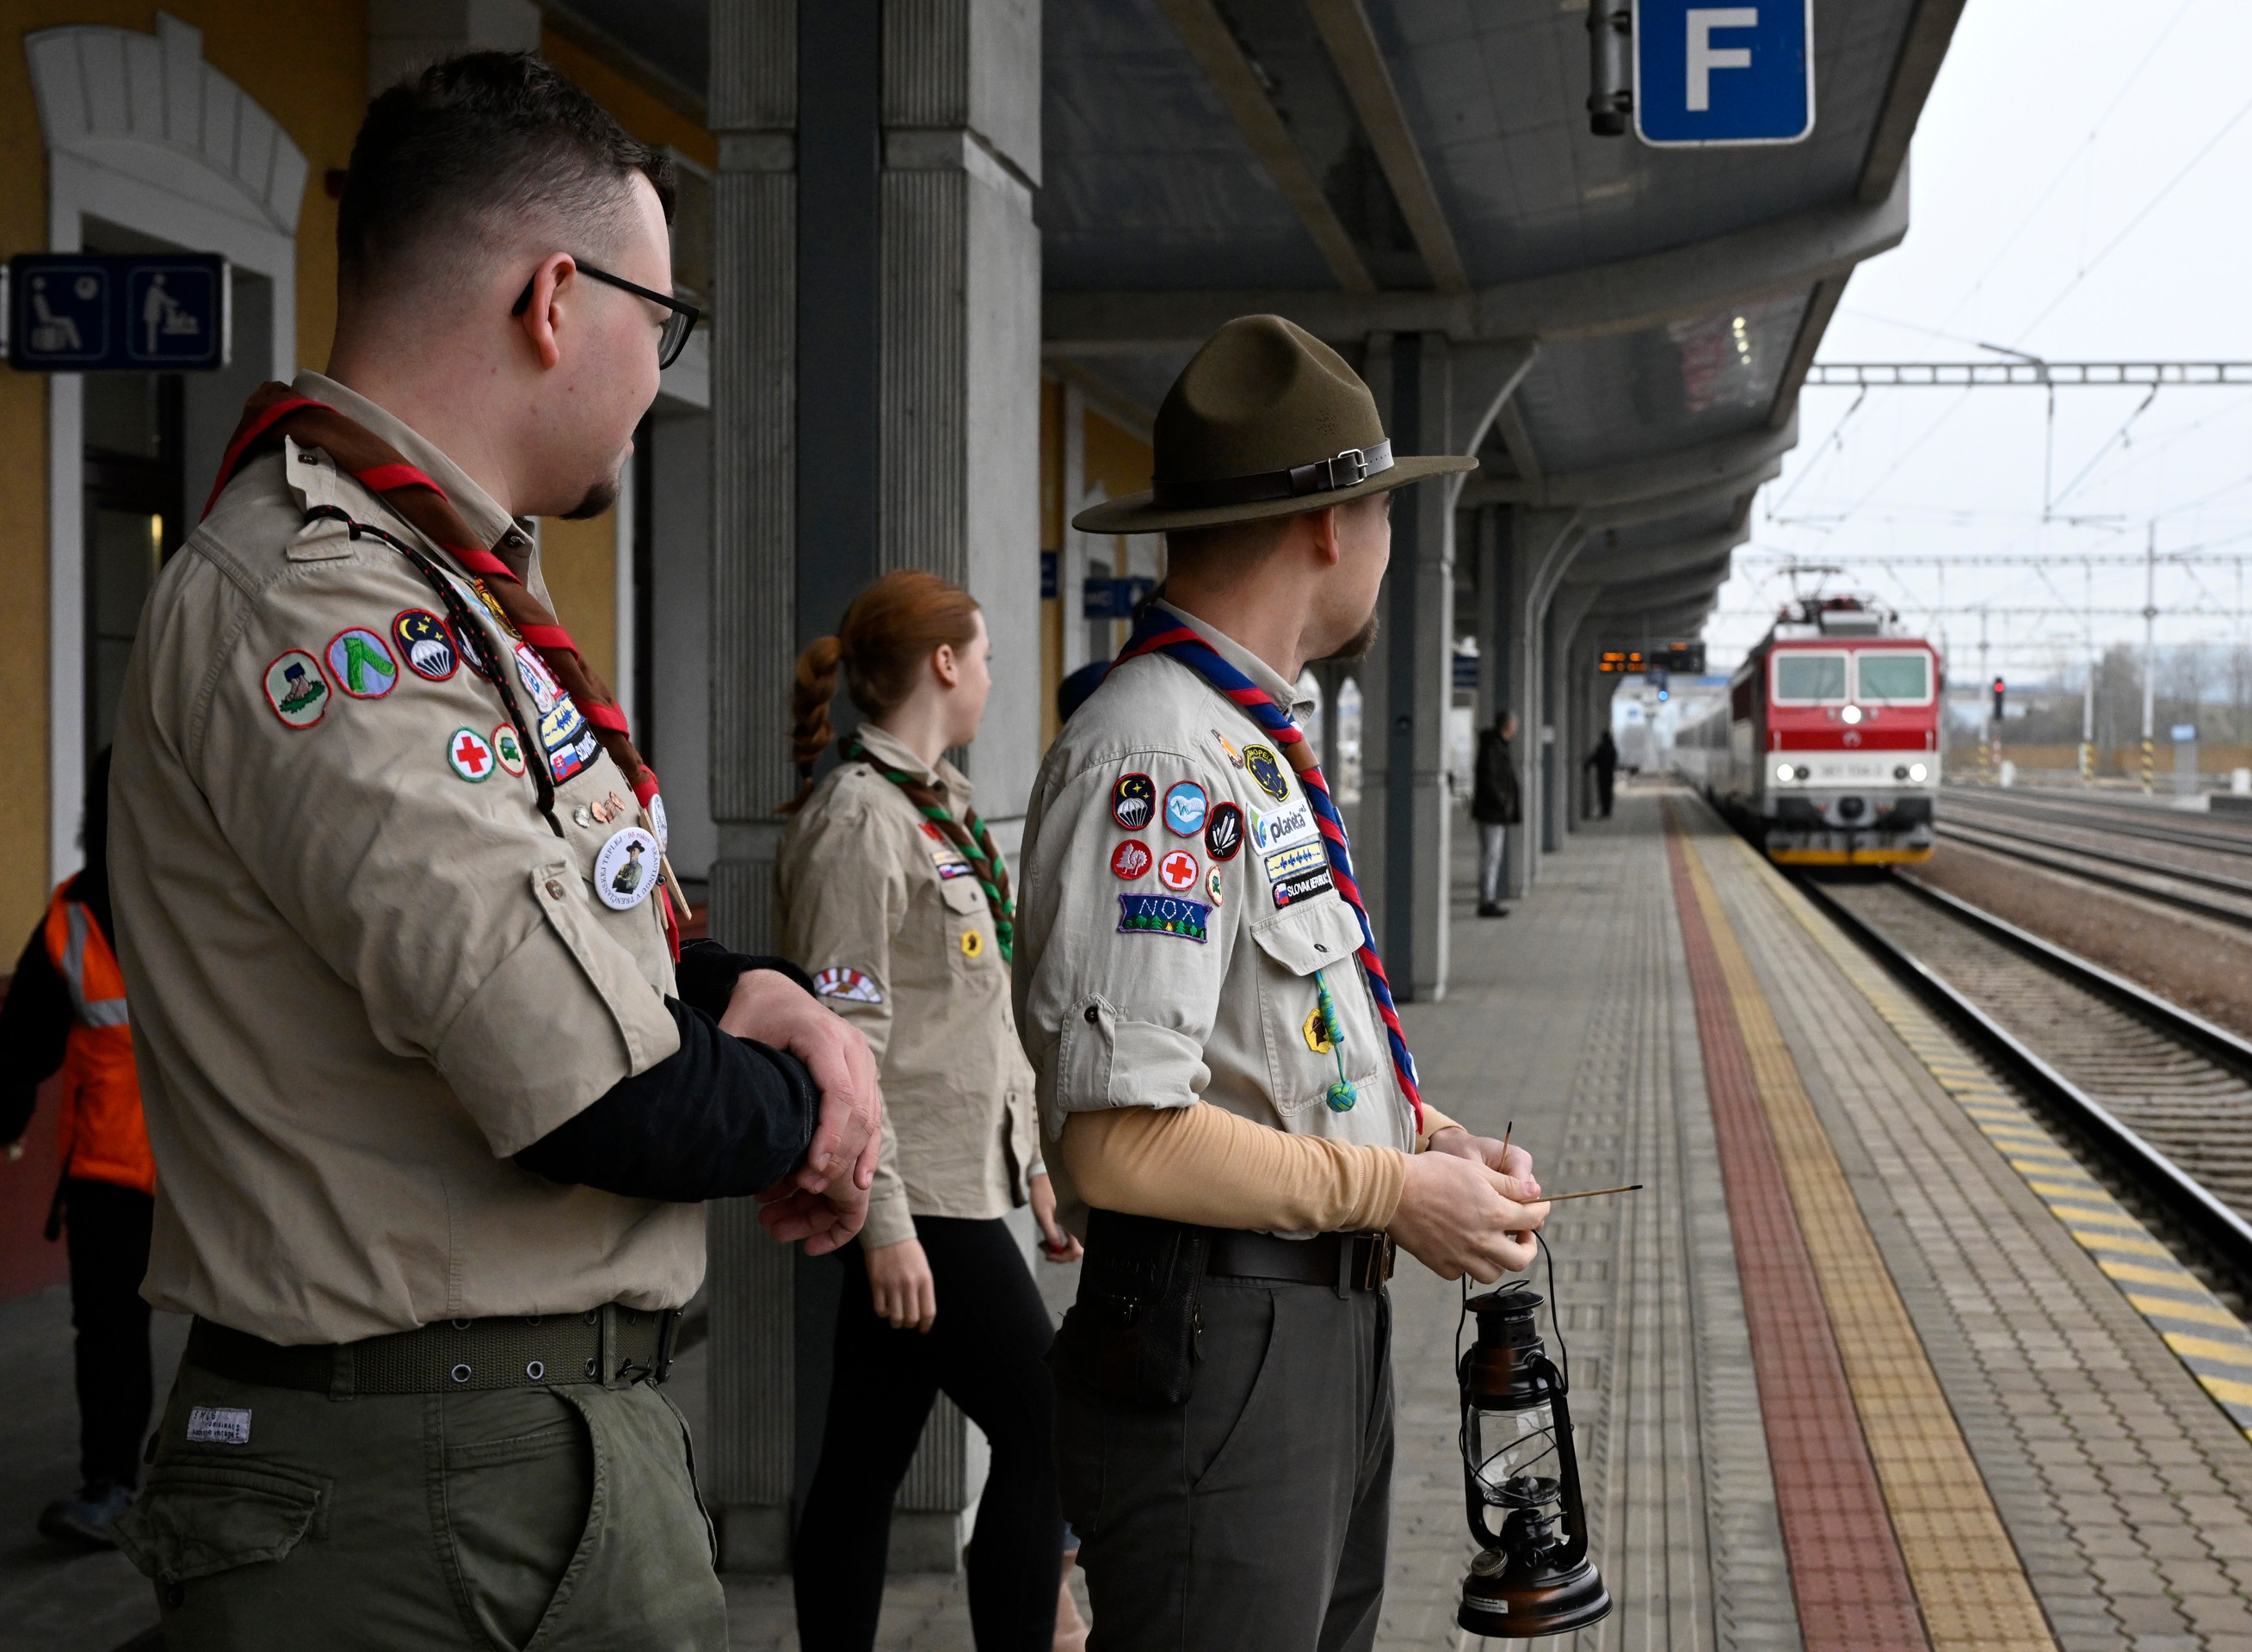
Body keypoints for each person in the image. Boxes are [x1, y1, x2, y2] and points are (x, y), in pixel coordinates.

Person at [107, 53, 879, 1650]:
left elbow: (603, 931)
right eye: (658, 326)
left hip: (497, 1454)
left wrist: (766, 994)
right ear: (553, 299)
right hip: (420, 1492)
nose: (658, 377)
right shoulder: (327, 608)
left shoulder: (443, 588)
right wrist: (828, 1098)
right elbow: (596, 1090)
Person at [1017, 314, 1550, 1651]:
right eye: (1381, 513)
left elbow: (1269, 1046)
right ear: (1332, 526)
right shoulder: (1160, 759)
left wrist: (1427, 1143)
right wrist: (1392, 1190)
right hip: (1224, 1337)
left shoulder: (1241, 744)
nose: (1384, 546)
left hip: (1299, 1331)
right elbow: (1119, 1138)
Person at [778, 570, 1085, 1652]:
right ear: (945, 665)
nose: (997, 677)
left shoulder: (938, 807)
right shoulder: (861, 823)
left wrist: (1035, 1164)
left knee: (860, 1467)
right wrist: (889, 1226)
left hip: (962, 1181)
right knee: (1051, 1428)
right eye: (989, 656)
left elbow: (978, 1015)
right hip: (922, 1204)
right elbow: (845, 1053)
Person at [0, 749, 157, 1549]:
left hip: (221, 1166)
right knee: (108, 1334)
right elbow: (21, 1043)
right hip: (108, 1171)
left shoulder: (218, 903)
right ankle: (112, 1485)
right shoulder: (72, 918)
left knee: (245, 1327)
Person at [1472, 709, 1521, 917]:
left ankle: (1488, 897)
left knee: (1492, 856)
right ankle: (1487, 901)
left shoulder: (1496, 745)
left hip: (1493, 811)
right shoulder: (1493, 747)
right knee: (1491, 857)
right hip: (1492, 812)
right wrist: (1503, 802)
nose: (1516, 728)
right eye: (1515, 724)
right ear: (1508, 726)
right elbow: (1491, 779)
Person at [1588, 728, 1619, 818]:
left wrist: (1587, 766)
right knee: (1608, 793)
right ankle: (1608, 811)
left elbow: (1594, 758)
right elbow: (1614, 760)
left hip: (1601, 773)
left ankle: (1604, 811)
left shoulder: (1601, 748)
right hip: (1609, 773)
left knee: (1602, 792)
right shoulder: (1612, 748)